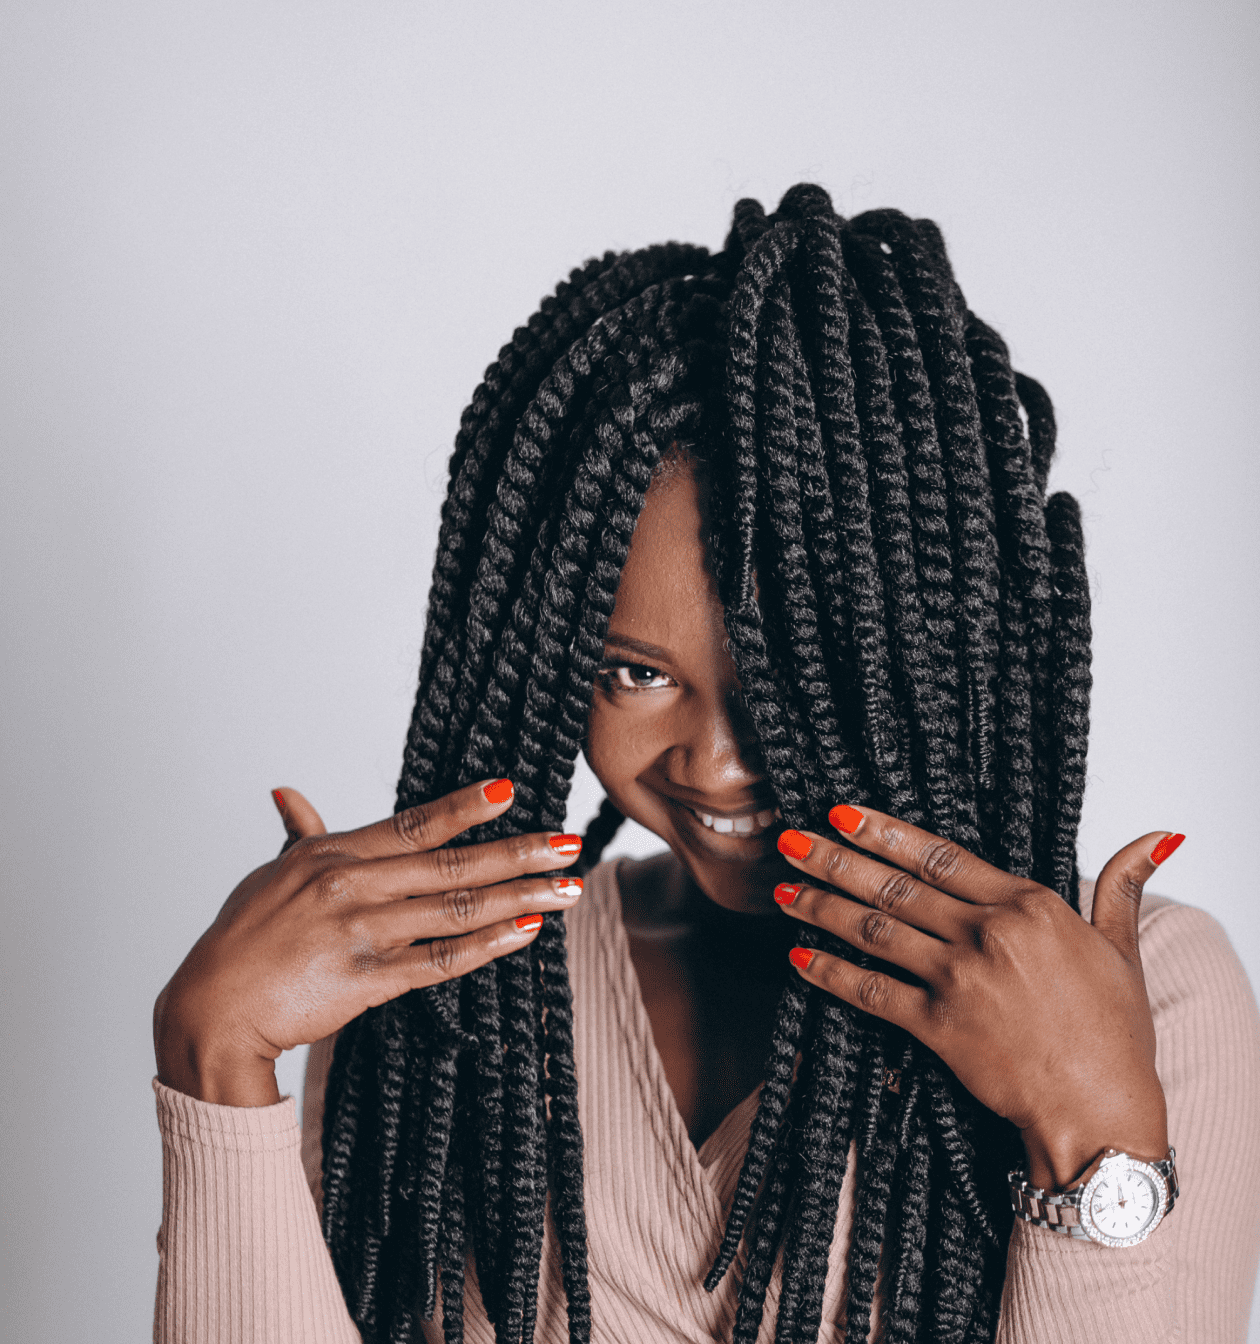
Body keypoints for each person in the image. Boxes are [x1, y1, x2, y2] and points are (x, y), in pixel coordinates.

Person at [152, 185, 1260, 1344]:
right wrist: (215, 1057)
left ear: (926, 664)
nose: (717, 763)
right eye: (635, 672)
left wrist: (1095, 1134)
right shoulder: (444, 988)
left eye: (791, 681)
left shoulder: (1150, 997)